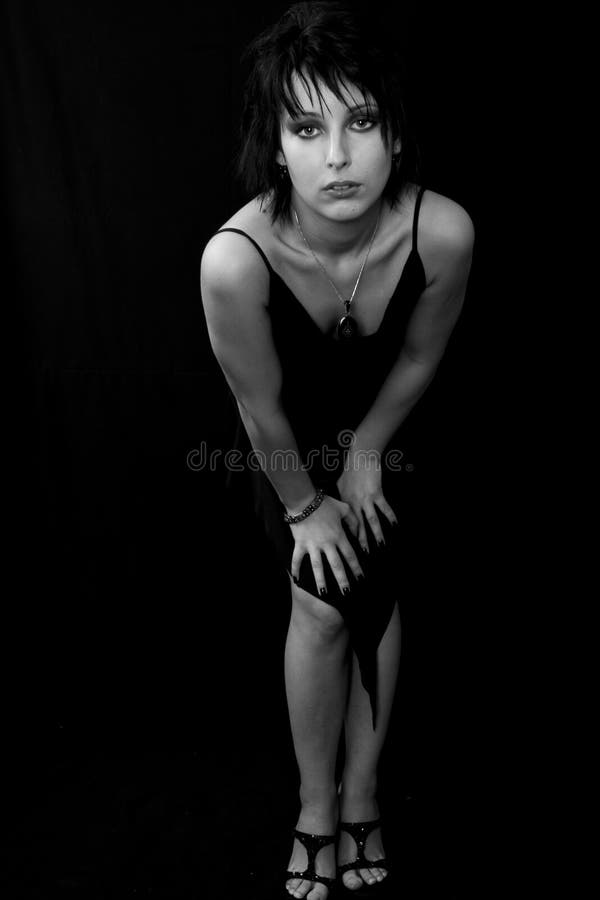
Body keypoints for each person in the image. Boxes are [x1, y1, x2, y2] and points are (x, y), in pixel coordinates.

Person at [200, 2, 474, 896]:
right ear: (276, 146)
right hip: (284, 453)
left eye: (360, 122)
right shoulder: (235, 261)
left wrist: (370, 448)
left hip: (391, 435)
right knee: (322, 599)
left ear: (392, 131)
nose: (338, 157)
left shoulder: (442, 232)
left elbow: (425, 355)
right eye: (307, 128)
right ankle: (319, 809)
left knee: (378, 584)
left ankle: (365, 799)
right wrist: (306, 507)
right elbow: (256, 406)